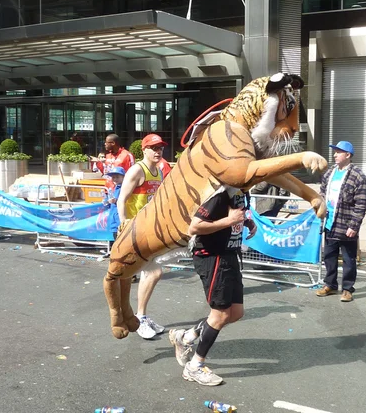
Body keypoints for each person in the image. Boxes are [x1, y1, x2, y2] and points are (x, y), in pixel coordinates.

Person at [168, 189, 257, 386]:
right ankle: (194, 367)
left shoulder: (242, 192)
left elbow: (233, 217)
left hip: (230, 255)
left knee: (235, 313)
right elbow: (195, 227)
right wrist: (229, 221)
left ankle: (185, 336)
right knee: (221, 315)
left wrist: (245, 222)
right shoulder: (220, 194)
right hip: (212, 257)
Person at [116, 133, 170, 339]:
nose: (158, 151)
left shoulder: (159, 171)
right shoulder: (137, 170)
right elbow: (122, 199)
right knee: (152, 273)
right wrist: (123, 224)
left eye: (161, 148)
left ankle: (139, 317)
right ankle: (139, 319)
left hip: (149, 230)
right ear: (144, 150)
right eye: (154, 148)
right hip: (134, 232)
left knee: (139, 275)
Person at [316, 140, 366, 302]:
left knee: (348, 259)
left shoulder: (358, 177)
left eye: (338, 152)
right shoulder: (330, 172)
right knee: (329, 256)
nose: (334, 155)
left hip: (346, 225)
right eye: (335, 151)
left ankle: (347, 288)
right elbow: (323, 192)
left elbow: (361, 204)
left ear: (348, 155)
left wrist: (354, 225)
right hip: (330, 223)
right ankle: (330, 285)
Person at [102, 166, 126, 250]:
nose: (115, 179)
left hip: (120, 220)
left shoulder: (125, 188)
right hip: (114, 220)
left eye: (117, 177)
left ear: (123, 177)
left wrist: (116, 200)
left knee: (120, 244)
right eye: (113, 177)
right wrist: (106, 201)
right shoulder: (113, 188)